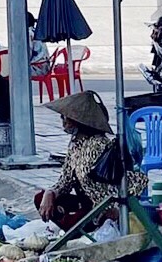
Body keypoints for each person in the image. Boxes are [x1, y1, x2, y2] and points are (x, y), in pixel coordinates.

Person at [35, 90, 146, 230]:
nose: (63, 121)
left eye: (65, 117)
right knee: (40, 199)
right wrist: (50, 193)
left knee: (75, 222)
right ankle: (76, 227)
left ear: (78, 121)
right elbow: (65, 181)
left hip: (102, 208)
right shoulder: (75, 146)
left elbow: (123, 183)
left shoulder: (100, 145)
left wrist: (115, 209)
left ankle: (81, 228)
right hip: (85, 204)